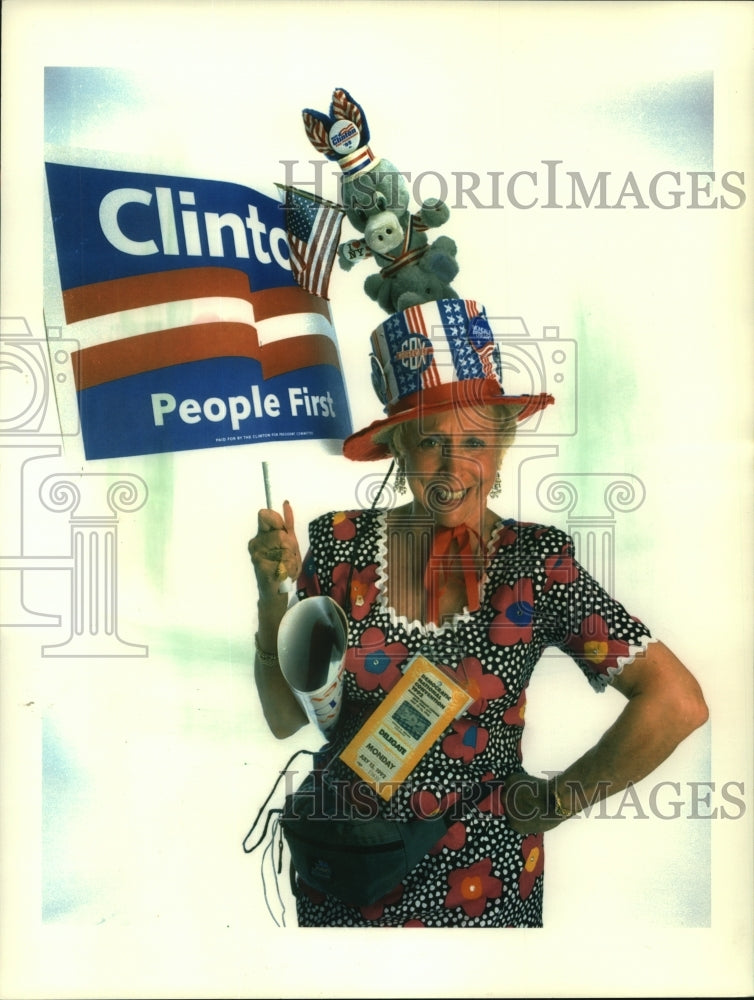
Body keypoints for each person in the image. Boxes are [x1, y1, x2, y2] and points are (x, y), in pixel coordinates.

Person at [248, 299, 708, 927]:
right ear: (400, 450)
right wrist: (271, 594)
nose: (453, 465)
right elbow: (283, 719)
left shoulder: (536, 564)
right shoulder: (339, 542)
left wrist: (551, 804)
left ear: (500, 449)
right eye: (431, 440)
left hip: (482, 890)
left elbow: (676, 700)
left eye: (474, 441)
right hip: (345, 877)